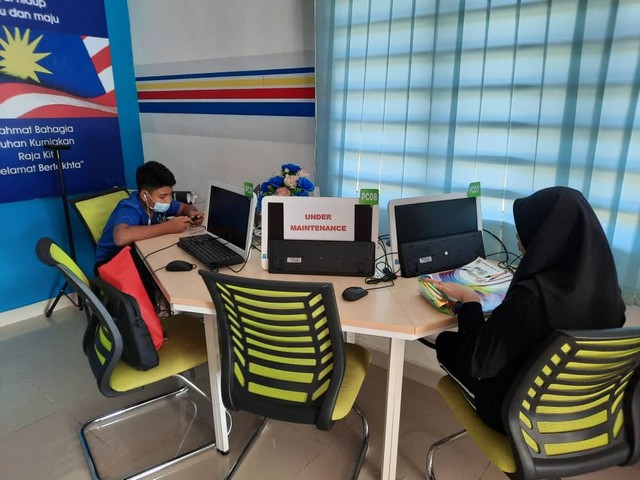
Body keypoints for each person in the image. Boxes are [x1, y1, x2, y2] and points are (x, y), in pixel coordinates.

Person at [427, 186, 626, 432]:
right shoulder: (610, 291)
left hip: (516, 417)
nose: (517, 236)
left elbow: (478, 362)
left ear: (544, 237)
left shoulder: (531, 297)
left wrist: (470, 301)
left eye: (523, 230)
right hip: (577, 414)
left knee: (447, 343)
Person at [95, 161, 204, 267]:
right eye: (163, 196)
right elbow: (120, 237)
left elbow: (184, 207)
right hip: (110, 262)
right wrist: (167, 227)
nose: (169, 200)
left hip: (138, 253)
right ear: (145, 196)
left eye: (170, 195)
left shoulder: (158, 203)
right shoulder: (130, 208)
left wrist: (192, 213)